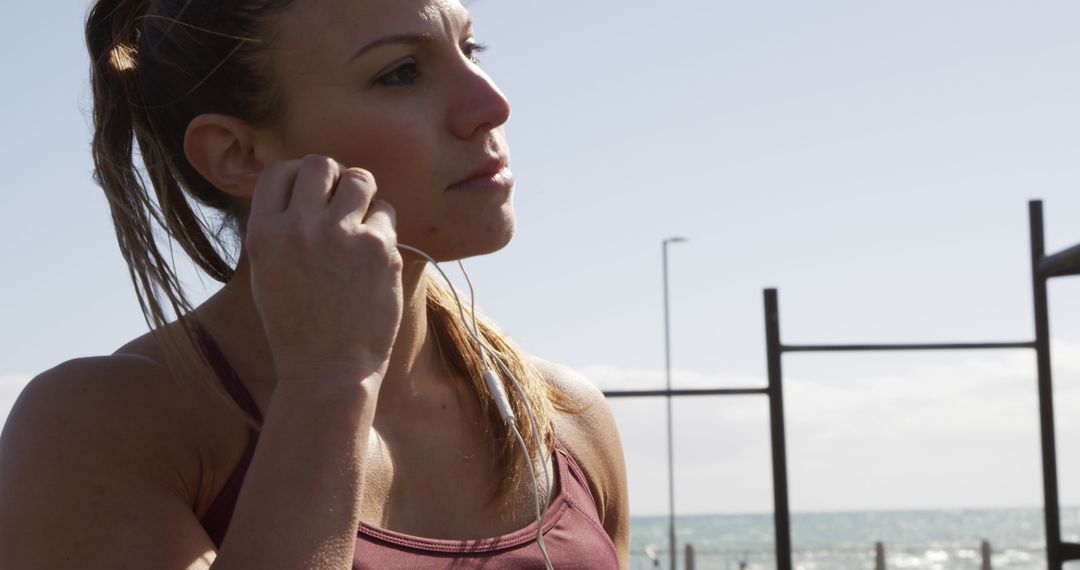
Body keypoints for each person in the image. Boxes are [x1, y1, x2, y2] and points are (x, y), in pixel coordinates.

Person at [0, 0, 629, 568]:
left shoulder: (564, 418)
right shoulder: (102, 428)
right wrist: (327, 383)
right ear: (237, 154)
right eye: (401, 72)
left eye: (470, 49)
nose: (492, 105)